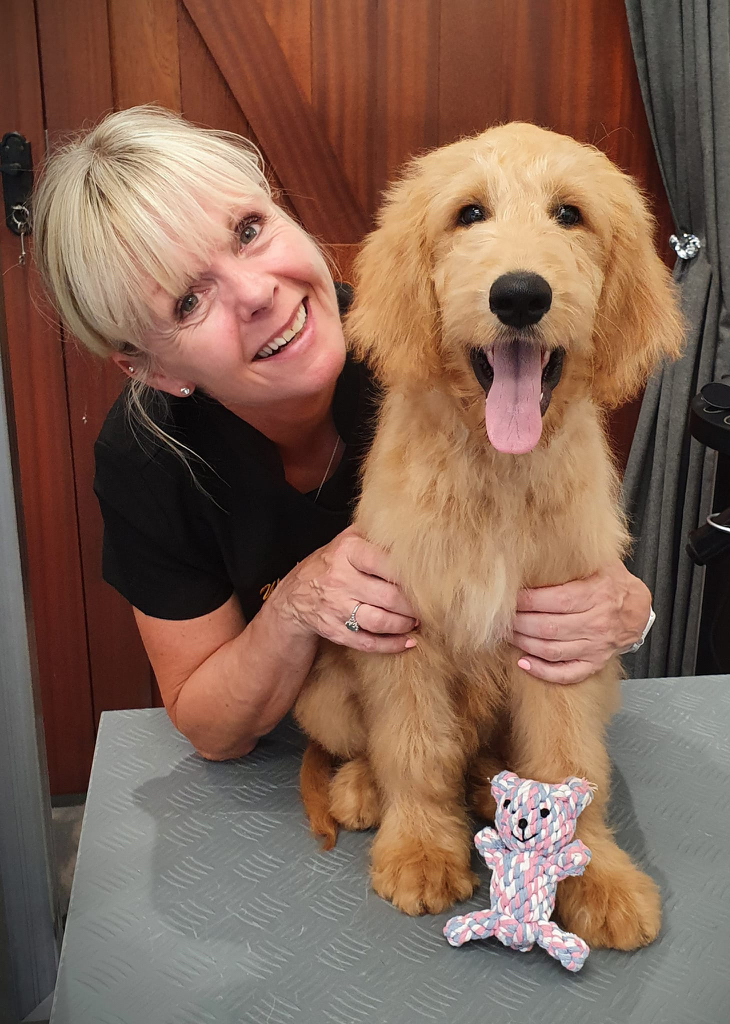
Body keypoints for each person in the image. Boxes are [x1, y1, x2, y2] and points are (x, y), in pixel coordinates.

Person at [33, 106, 654, 762]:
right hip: (317, 736)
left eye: (248, 230)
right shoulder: (148, 461)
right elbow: (211, 727)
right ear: (151, 369)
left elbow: (564, 564)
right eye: (188, 301)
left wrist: (630, 610)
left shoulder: (447, 347)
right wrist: (297, 605)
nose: (255, 293)